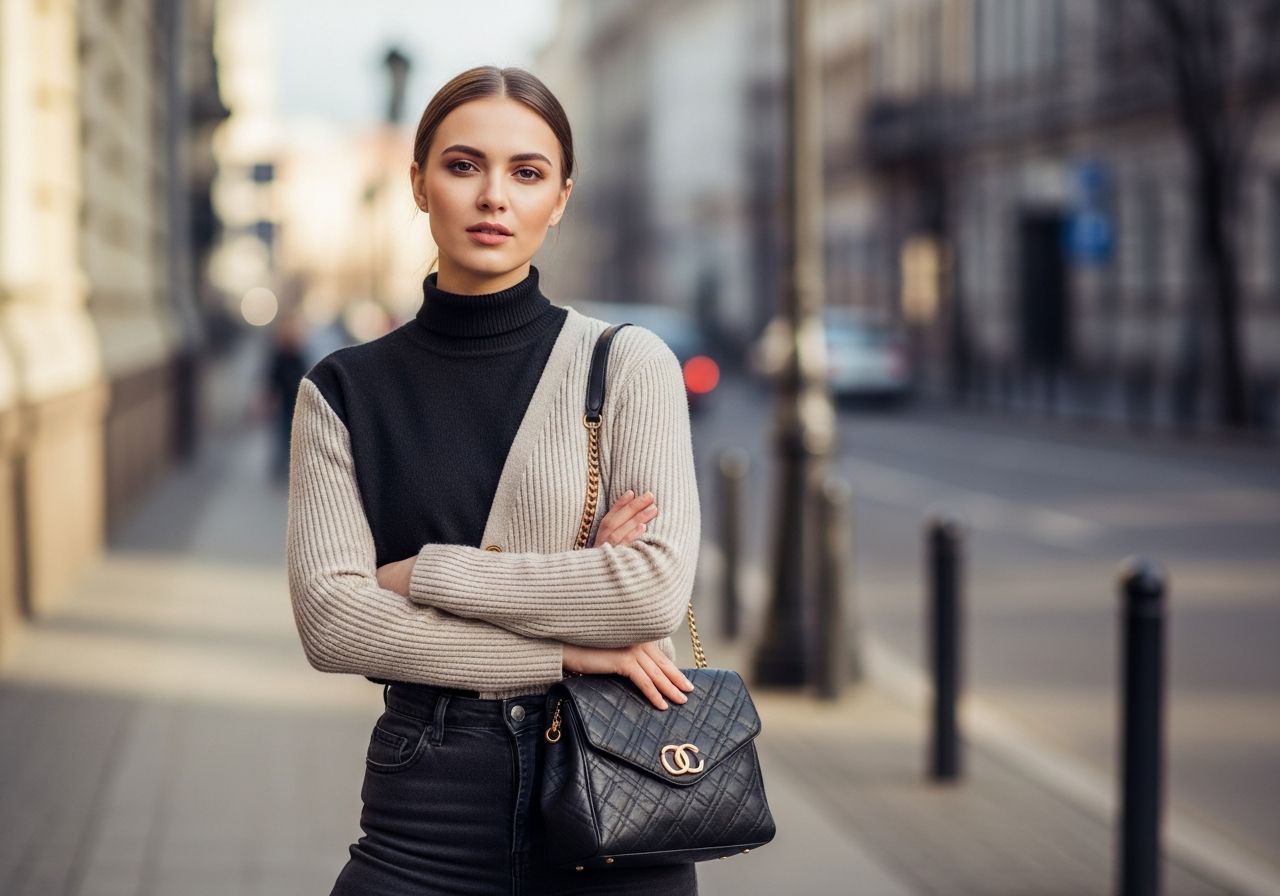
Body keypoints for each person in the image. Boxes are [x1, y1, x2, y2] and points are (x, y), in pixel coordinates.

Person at [285, 65, 701, 895]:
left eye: (527, 172)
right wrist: (568, 645)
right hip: (425, 803)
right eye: (464, 165)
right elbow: (334, 624)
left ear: (561, 197)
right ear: (418, 183)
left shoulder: (626, 366)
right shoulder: (342, 390)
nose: (493, 197)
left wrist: (424, 575)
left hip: (612, 790)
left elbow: (650, 592)